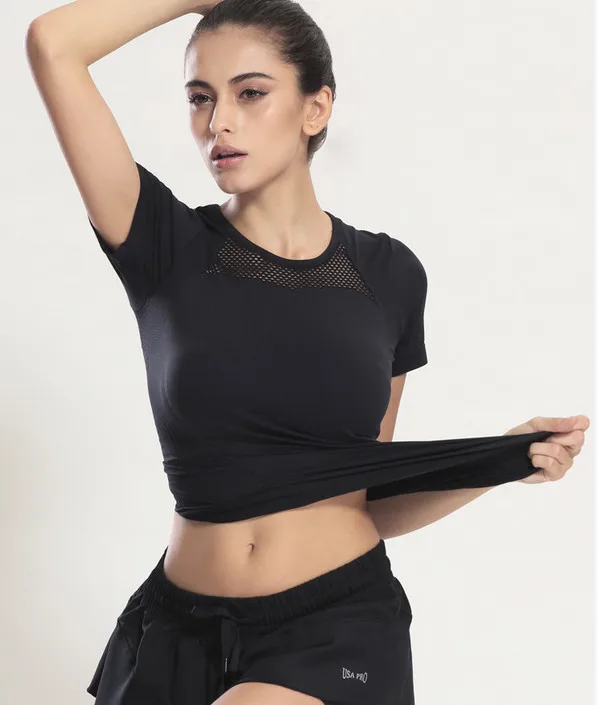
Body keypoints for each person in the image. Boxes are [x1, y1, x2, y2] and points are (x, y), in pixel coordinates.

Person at [26, 1, 565, 703]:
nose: (218, 122)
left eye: (250, 92)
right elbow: (53, 43)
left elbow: (362, 498)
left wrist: (497, 463)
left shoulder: (389, 275)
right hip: (175, 630)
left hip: (335, 631)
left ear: (316, 108)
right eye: (200, 97)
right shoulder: (162, 244)